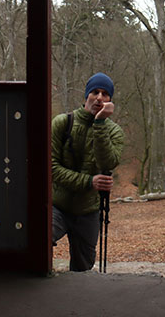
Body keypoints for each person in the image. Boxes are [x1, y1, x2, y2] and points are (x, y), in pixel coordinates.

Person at [51, 72, 124, 271]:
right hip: (57, 206)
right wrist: (88, 182)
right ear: (86, 96)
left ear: (110, 101)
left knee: (83, 268)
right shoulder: (61, 123)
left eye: (105, 94)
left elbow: (107, 162)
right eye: (94, 92)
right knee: (40, 241)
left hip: (89, 211)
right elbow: (51, 168)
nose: (99, 97)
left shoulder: (114, 132)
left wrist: (99, 123)